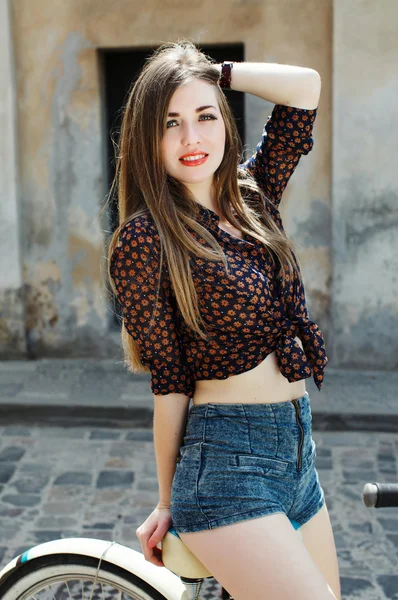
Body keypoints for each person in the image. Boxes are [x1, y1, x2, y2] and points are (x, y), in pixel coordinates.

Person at [107, 40, 341, 600]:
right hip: (226, 467)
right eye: (171, 123)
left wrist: (211, 73)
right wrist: (166, 501)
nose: (192, 138)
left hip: (298, 456)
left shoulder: (253, 197)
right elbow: (169, 382)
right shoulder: (144, 239)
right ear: (149, 137)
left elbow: (305, 87)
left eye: (205, 116)